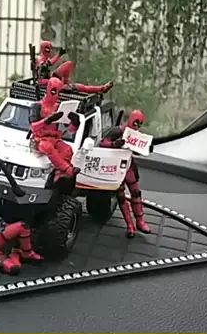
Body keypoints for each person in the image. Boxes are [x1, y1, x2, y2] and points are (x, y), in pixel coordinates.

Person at [100, 110, 151, 238]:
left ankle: (140, 221)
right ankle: (129, 225)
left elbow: (138, 149)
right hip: (116, 166)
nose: (137, 126)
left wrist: (146, 148)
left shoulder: (136, 135)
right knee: (121, 196)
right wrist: (114, 144)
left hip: (128, 165)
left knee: (136, 193)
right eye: (136, 122)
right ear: (130, 119)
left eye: (140, 124)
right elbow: (102, 143)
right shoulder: (117, 131)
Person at [29, 77, 81, 180]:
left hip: (55, 139)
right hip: (39, 140)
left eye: (59, 92)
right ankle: (67, 169)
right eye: (54, 91)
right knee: (47, 146)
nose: (56, 95)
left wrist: (75, 123)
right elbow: (33, 126)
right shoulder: (37, 106)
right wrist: (47, 120)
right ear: (48, 90)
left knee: (67, 150)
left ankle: (60, 173)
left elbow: (70, 130)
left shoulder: (59, 107)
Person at [35, 41, 114, 94]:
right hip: (50, 84)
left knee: (68, 64)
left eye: (50, 49)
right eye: (47, 49)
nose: (49, 51)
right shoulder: (40, 60)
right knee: (81, 87)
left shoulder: (45, 59)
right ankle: (101, 89)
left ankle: (66, 84)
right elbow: (44, 68)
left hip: (52, 80)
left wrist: (59, 55)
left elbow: (50, 63)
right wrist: (56, 83)